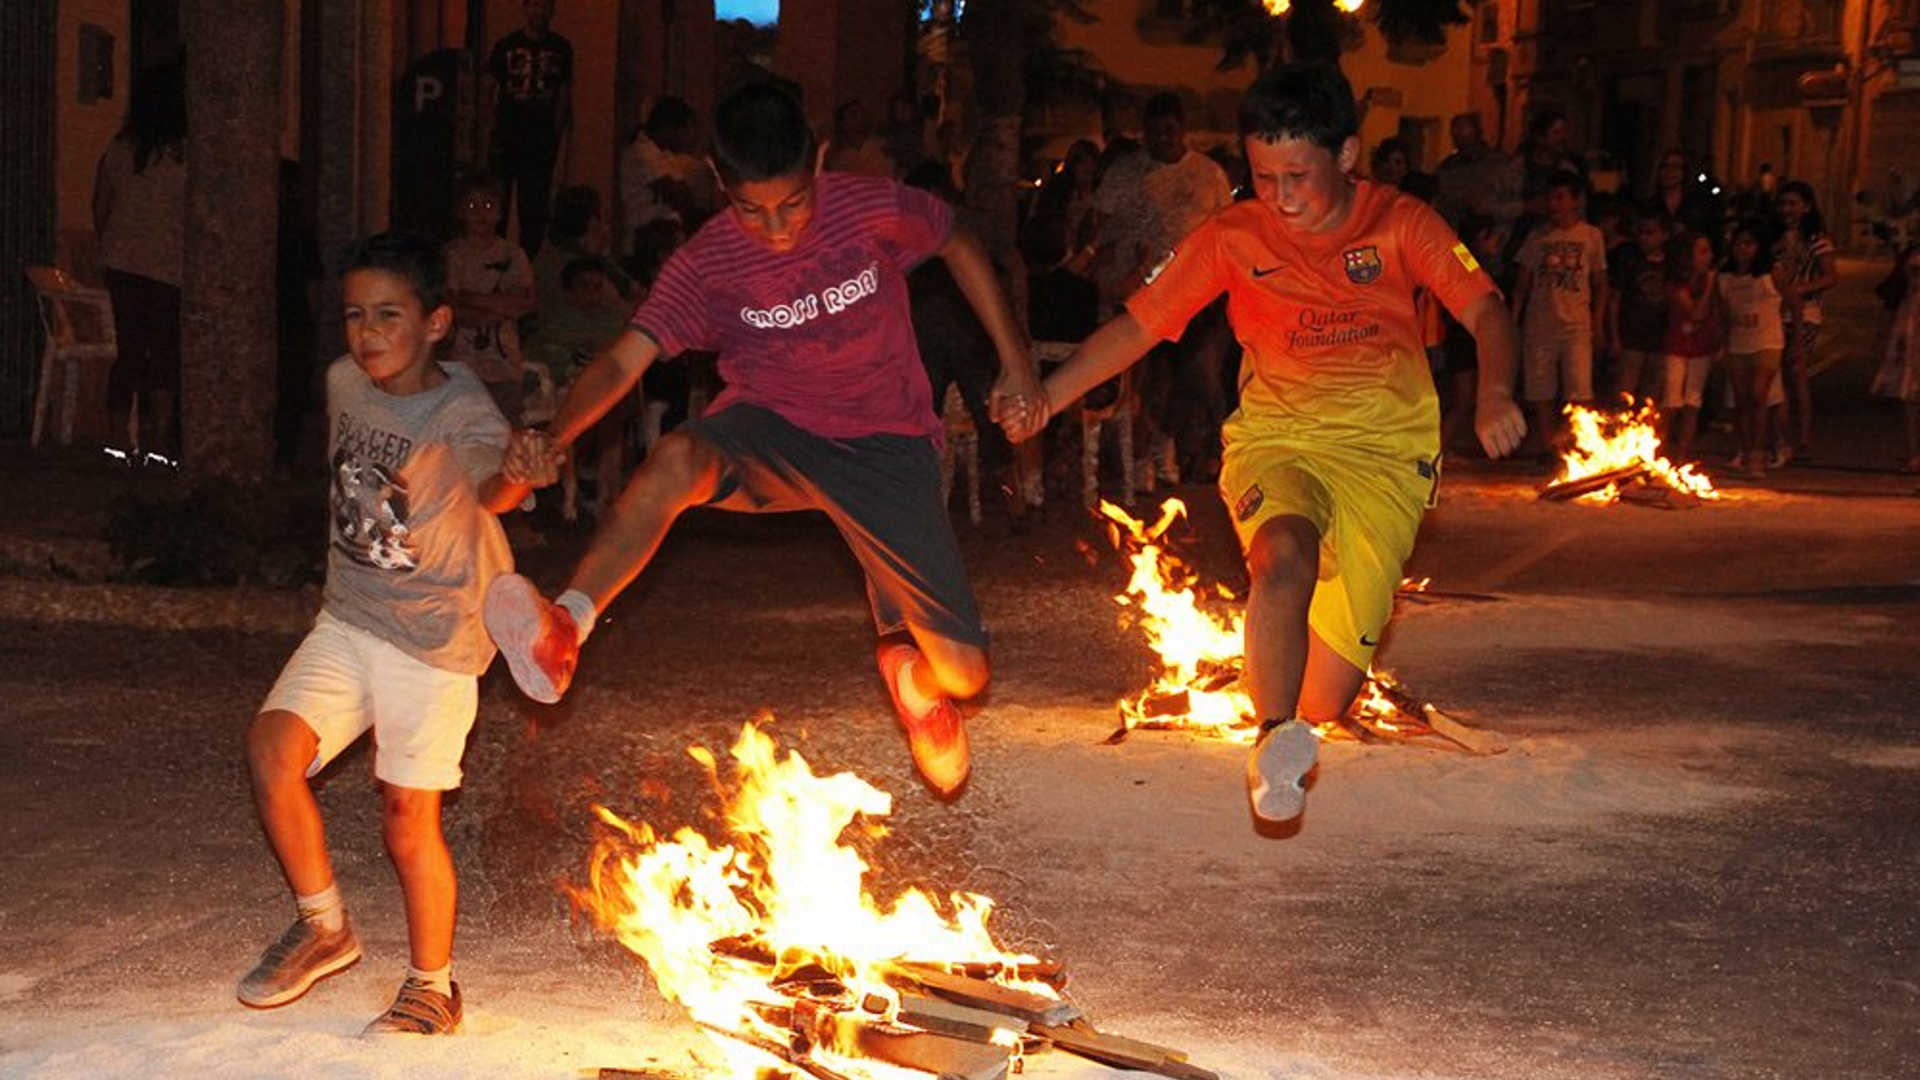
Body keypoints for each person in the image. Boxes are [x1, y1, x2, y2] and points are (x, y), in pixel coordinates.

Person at [480, 82, 1043, 798]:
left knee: (965, 672)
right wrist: (554, 434)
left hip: (886, 447)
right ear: (719, 183)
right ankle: (566, 627)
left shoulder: (869, 205)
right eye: (752, 210)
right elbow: (626, 357)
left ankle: (911, 673)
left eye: (793, 204)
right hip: (771, 431)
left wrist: (1017, 364)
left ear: (821, 164)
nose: (776, 229)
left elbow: (957, 238)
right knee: (678, 456)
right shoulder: (707, 264)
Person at [1018, 63, 1525, 825]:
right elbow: (1139, 326)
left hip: (1385, 455)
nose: (1281, 196)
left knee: (1325, 696)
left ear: (1347, 157)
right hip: (1278, 437)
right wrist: (1049, 395)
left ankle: (1298, 706)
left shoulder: (1401, 222)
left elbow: (1484, 307)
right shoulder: (1231, 235)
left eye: (1298, 176)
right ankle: (1271, 739)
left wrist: (1493, 393)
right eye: (1262, 176)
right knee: (1280, 555)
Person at [236, 231, 552, 1034]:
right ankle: (325, 928)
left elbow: (492, 485)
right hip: (351, 614)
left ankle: (433, 986)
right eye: (354, 315)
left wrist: (519, 472)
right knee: (273, 752)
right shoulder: (345, 381)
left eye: (388, 315)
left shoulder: (462, 407)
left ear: (436, 321)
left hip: (435, 635)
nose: (367, 334)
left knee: (408, 818)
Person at [92, 61, 186, 464]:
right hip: (168, 264)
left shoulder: (120, 148)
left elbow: (100, 203)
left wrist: (111, 241)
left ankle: (117, 439)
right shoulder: (184, 153)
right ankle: (160, 441)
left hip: (123, 261)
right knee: (164, 351)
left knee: (129, 350)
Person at [1512, 170, 1609, 451]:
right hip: (1540, 324)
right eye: (1550, 198)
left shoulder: (1591, 236)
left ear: (1575, 201)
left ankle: (1578, 445)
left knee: (1579, 390)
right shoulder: (1537, 237)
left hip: (1576, 325)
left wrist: (1597, 323)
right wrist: (1514, 322)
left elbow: (1601, 284)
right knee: (1541, 391)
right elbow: (1522, 285)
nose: (1554, 204)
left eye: (1560, 198)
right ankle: (1549, 447)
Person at [444, 178, 538, 424]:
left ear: (499, 213)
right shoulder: (452, 254)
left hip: (504, 361)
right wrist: (499, 307)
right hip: (460, 360)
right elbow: (450, 304)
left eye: (488, 206)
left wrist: (472, 299)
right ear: (460, 212)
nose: (480, 214)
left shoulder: (512, 254)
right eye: (473, 206)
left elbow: (525, 302)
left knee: (505, 430)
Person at [486, 0, 573, 254]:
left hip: (540, 138)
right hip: (508, 133)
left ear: (552, 10)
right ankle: (493, 256)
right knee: (498, 200)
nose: (539, 12)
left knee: (533, 208)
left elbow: (564, 94)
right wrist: (491, 129)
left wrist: (556, 132)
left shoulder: (561, 48)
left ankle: (528, 261)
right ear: (525, 9)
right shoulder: (506, 46)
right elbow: (491, 90)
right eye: (534, 6)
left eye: (544, 6)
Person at [1772, 180, 1837, 462]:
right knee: (1776, 375)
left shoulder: (1817, 241)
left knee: (1797, 372)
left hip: (1806, 313)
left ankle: (1803, 438)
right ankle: (1779, 436)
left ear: (1807, 207)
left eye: (1793, 204)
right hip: (1773, 312)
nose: (1787, 210)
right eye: (1783, 204)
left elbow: (1831, 275)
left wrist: (1801, 288)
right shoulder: (1772, 239)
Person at [1718, 220, 1786, 476]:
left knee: (1758, 396)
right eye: (1738, 244)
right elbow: (1723, 313)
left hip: (1767, 342)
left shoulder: (1771, 274)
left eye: (1749, 244)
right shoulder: (1725, 278)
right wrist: (1723, 344)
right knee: (1741, 400)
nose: (1743, 249)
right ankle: (1745, 451)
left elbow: (1792, 302)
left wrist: (1794, 341)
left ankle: (1758, 452)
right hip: (1738, 344)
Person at [1661, 232, 1722, 463]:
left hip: (1701, 347)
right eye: (1702, 251)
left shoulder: (1712, 281)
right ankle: (1660, 450)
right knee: (1671, 401)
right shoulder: (1677, 283)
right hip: (1677, 346)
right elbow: (1696, 312)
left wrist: (1718, 342)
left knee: (1692, 402)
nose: (1708, 257)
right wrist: (1709, 286)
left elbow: (1715, 315)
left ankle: (1682, 456)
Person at [1608, 210, 1673, 402]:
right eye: (1642, 233)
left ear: (1664, 235)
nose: (1645, 238)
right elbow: (1615, 300)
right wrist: (1615, 337)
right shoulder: (1630, 262)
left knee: (1651, 400)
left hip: (1659, 341)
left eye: (1651, 233)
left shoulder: (1671, 265)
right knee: (1624, 396)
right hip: (1631, 340)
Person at [1871, 243, 1920, 473]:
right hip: (1911, 328)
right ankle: (1913, 454)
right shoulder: (1910, 254)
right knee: (1909, 394)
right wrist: (1882, 335)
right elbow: (1891, 296)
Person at [1434, 111, 1522, 232]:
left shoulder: (1502, 164)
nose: (1458, 136)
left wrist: (1488, 211)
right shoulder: (1447, 168)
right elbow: (1440, 203)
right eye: (1456, 134)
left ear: (1478, 134)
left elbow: (1515, 203)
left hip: (1493, 234)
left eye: (1464, 132)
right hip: (1457, 235)